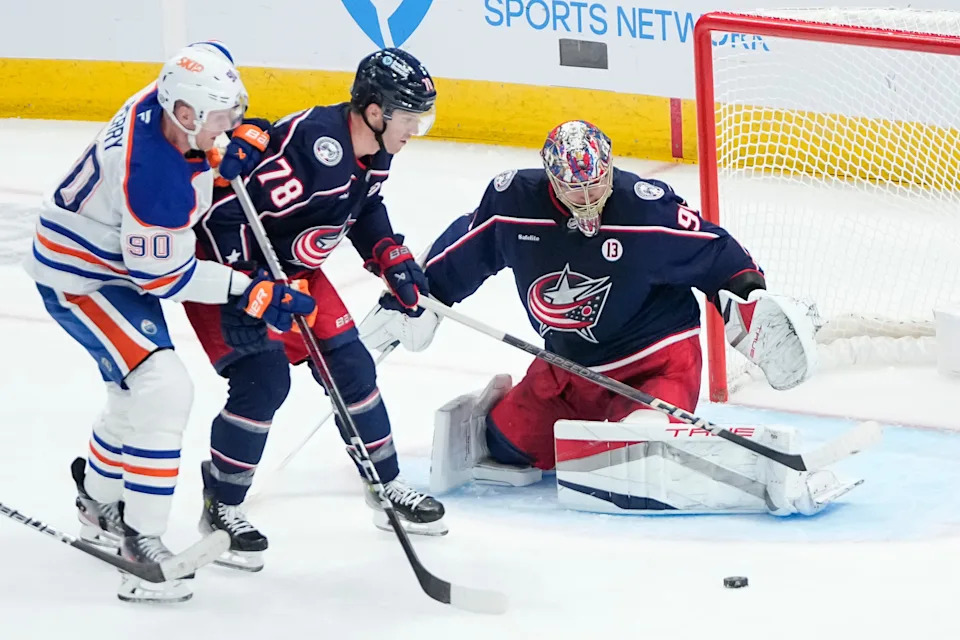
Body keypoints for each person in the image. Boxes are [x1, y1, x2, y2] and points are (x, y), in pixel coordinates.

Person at [360, 120, 844, 516]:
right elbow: (465, 251)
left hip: (655, 363)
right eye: (575, 188)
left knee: (635, 455)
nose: (590, 197)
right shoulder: (513, 204)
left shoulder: (645, 210)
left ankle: (657, 433)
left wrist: (749, 298)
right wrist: (419, 297)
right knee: (503, 447)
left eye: (598, 183)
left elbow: (716, 251)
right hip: (567, 370)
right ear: (551, 180)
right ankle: (506, 404)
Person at [23, 41, 316, 602]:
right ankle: (141, 544)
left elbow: (209, 56)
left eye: (233, 113)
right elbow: (166, 279)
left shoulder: (174, 100)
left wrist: (233, 144)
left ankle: (98, 502)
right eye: (220, 121)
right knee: (163, 387)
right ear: (183, 114)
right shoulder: (152, 175)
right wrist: (249, 289)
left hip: (110, 259)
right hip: (81, 277)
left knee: (133, 393)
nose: (229, 126)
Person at [183, 47, 446, 572]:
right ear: (375, 111)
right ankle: (223, 506)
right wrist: (247, 283)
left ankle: (385, 483)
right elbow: (222, 212)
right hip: (233, 273)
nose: (416, 128)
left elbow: (365, 205)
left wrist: (387, 252)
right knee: (264, 382)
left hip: (296, 272)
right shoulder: (314, 150)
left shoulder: (375, 148)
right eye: (410, 116)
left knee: (352, 367)